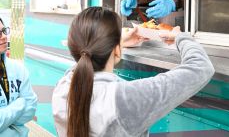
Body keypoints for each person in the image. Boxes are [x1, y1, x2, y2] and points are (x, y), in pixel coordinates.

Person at [52, 7, 214, 137]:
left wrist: (118, 43)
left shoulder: (63, 86)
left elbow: (84, 58)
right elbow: (201, 67)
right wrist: (181, 37)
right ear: (116, 51)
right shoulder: (125, 98)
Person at [0, 18, 37, 137]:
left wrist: (4, 119)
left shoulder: (18, 68)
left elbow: (31, 108)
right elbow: (25, 103)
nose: (4, 36)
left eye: (4, 31)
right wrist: (19, 104)